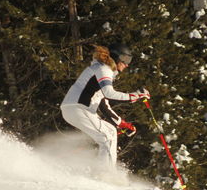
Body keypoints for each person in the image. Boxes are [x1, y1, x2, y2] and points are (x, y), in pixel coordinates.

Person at [60, 43, 150, 171]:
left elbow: (103, 104)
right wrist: (133, 96)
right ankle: (105, 175)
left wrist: (121, 123)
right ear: (117, 57)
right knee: (107, 137)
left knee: (110, 133)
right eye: (126, 60)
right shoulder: (103, 69)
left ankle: (99, 172)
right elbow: (109, 93)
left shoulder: (102, 70)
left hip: (74, 109)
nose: (127, 64)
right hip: (79, 108)